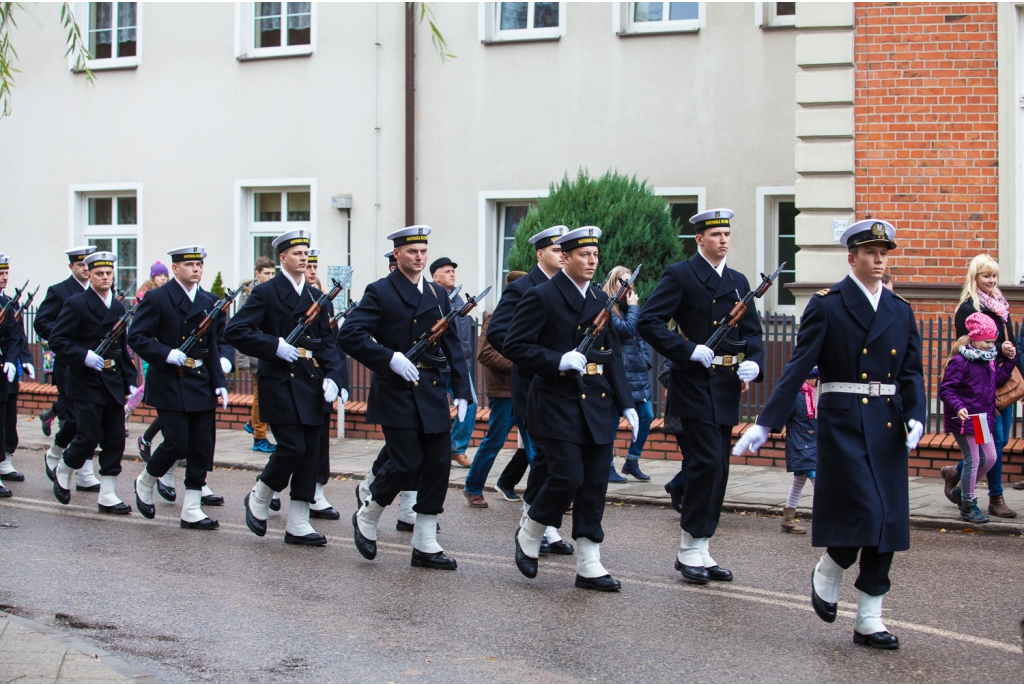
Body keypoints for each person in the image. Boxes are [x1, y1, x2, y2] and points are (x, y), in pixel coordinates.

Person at [734, 219, 925, 650]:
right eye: (871, 253)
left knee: (888, 521)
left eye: (884, 253)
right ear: (852, 257)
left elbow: (911, 371)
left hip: (889, 423)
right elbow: (798, 367)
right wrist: (766, 422)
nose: (879, 260)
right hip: (844, 421)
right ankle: (831, 565)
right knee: (865, 511)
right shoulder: (828, 305)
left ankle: (869, 618)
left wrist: (916, 415)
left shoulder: (900, 310)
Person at [503, 226, 638, 591]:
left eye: (595, 256)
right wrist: (556, 359)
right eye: (583, 255)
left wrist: (627, 404)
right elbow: (514, 344)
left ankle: (589, 561)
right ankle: (531, 531)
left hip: (596, 403)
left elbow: (612, 358)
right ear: (565, 257)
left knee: (595, 483)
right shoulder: (542, 296)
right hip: (555, 402)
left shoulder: (599, 299)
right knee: (567, 477)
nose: (591, 261)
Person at [637, 209, 764, 585]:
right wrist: (686, 349)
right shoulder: (681, 274)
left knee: (718, 469)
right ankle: (688, 549)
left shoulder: (740, 282)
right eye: (715, 234)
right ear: (699, 239)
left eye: (727, 234)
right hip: (692, 383)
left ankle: (701, 547)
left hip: (724, 386)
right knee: (705, 464)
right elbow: (649, 321)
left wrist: (754, 363)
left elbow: (754, 334)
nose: (723, 240)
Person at [341, 226, 472, 570]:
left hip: (429, 389)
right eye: (411, 251)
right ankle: (368, 515)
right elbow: (350, 334)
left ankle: (425, 541)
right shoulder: (380, 291)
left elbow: (452, 345)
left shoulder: (437, 294)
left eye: (422, 251)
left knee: (438, 465)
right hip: (396, 390)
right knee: (405, 462)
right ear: (396, 255)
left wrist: (461, 389)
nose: (418, 256)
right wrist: (388, 357)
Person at [226, 229, 344, 546]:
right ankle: (261, 492)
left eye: (306, 253)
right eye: (296, 253)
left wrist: (334, 376)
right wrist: (272, 346)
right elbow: (235, 331)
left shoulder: (317, 298)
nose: (303, 258)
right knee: (293, 447)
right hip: (279, 380)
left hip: (311, 381)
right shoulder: (266, 293)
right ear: (282, 258)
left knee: (311, 454)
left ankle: (298, 522)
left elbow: (328, 344)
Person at [129, 246, 229, 530]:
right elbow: (137, 336)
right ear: (175, 269)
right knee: (177, 442)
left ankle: (192, 507)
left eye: (199, 264)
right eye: (189, 264)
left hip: (200, 380)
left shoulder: (210, 300)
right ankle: (146, 479)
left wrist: (220, 382)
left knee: (201, 445)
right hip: (170, 379)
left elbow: (213, 346)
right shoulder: (157, 298)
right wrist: (163, 353)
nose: (196, 269)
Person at [487, 225, 571, 553]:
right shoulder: (523, 287)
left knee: (554, 461)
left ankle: (537, 520)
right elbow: (499, 333)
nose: (562, 257)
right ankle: (540, 524)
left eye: (565, 251)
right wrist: (534, 356)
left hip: (566, 387)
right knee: (541, 458)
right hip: (534, 385)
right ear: (540, 253)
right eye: (555, 251)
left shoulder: (571, 287)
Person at [48, 251, 137, 514]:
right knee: (88, 435)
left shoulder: (118, 307)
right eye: (99, 273)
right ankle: (65, 466)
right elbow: (57, 340)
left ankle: (108, 493)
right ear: (89, 274)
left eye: (109, 273)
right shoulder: (77, 303)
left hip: (111, 381)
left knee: (115, 438)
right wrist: (83, 356)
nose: (105, 278)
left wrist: (130, 380)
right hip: (84, 381)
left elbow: (123, 348)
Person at [940, 254, 1017, 518]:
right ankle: (992, 498)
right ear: (975, 277)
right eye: (986, 276)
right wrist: (998, 349)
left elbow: (1007, 343)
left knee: (999, 443)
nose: (991, 280)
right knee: (988, 446)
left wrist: (1009, 351)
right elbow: (972, 345)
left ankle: (957, 473)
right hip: (975, 396)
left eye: (994, 276)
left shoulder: (1000, 306)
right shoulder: (968, 308)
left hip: (997, 381)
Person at [37, 246, 102, 493]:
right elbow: (41, 321)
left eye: (89, 266)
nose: (86, 270)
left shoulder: (100, 292)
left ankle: (85, 473)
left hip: (95, 368)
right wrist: (66, 335)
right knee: (75, 420)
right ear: (72, 267)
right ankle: (56, 452)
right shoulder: (60, 291)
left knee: (91, 421)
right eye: (81, 265)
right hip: (69, 366)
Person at [462, 271, 526, 508]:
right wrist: (521, 363)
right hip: (505, 391)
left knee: (536, 445)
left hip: (528, 390)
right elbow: (485, 353)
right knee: (495, 441)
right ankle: (473, 487)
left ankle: (545, 494)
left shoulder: (531, 316)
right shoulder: (496, 317)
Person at [304, 247, 351, 520]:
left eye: (314, 267)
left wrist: (340, 379)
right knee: (295, 443)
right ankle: (271, 487)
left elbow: (333, 344)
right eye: (308, 265)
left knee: (320, 439)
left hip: (320, 379)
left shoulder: (324, 301)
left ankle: (317, 491)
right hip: (294, 376)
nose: (311, 270)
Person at [603, 265, 653, 483]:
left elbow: (638, 336)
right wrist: (634, 307)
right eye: (622, 281)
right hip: (618, 373)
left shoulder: (629, 306)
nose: (627, 286)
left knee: (647, 416)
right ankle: (607, 466)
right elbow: (625, 330)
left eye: (630, 281)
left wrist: (645, 360)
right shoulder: (608, 306)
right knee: (612, 421)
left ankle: (632, 460)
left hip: (637, 371)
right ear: (612, 282)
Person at [430, 257, 477, 469]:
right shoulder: (430, 298)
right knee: (436, 407)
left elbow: (462, 336)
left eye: (453, 271)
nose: (452, 274)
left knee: (471, 403)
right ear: (435, 276)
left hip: (460, 365)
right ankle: (435, 449)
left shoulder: (458, 300)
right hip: (438, 363)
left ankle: (457, 448)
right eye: (447, 271)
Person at [0, 255, 36, 486]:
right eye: (0, 274)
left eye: (6, 274)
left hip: (6, 370)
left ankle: (5, 459)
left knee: (8, 417)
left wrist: (20, 359)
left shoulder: (8, 303)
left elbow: (16, 336)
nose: (4, 278)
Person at [237, 256, 278, 455]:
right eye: (266, 273)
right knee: (260, 395)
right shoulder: (249, 295)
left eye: (272, 273)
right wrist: (243, 360)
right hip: (256, 354)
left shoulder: (274, 292)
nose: (270, 277)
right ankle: (259, 437)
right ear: (257, 274)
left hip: (269, 352)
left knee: (264, 394)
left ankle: (253, 424)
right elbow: (240, 329)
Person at [781, 367, 819, 534]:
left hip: (810, 445)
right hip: (801, 445)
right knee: (818, 481)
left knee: (798, 482)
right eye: (816, 378)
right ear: (808, 378)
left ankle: (788, 519)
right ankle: (826, 519)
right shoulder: (797, 396)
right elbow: (783, 416)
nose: (819, 381)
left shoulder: (814, 395)